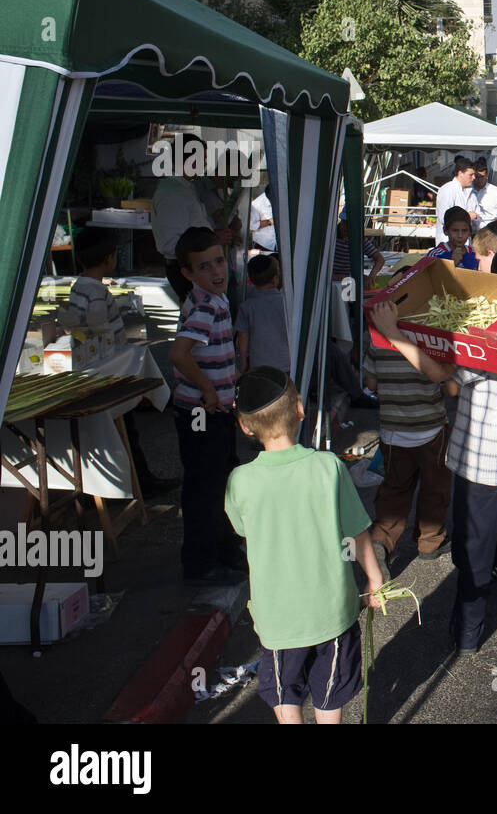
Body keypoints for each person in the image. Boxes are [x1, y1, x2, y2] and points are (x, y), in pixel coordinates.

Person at [369, 244, 497, 655]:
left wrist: (396, 335)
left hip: (483, 463)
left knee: (475, 550)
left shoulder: (489, 332)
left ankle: (468, 636)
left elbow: (441, 375)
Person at [224, 367, 383, 724]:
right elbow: (356, 533)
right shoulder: (329, 467)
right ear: (300, 409)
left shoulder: (241, 481)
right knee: (331, 687)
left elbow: (242, 528)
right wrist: (374, 579)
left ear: (245, 426)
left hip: (278, 617)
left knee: (284, 687)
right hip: (332, 611)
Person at [168, 226, 244, 586]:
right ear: (187, 273)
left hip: (217, 410)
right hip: (201, 412)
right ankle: (200, 564)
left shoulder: (217, 299)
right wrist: (208, 390)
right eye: (204, 267)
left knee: (222, 479)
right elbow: (179, 355)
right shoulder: (203, 306)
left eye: (219, 262)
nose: (217, 272)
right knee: (203, 485)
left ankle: (225, 548)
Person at [70, 227, 171, 497]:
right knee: (127, 426)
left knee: (123, 428)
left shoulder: (78, 286)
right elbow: (102, 333)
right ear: (110, 258)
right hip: (108, 370)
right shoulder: (97, 293)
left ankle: (130, 482)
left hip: (94, 366)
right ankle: (140, 483)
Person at [363, 328, 452, 564]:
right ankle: (429, 542)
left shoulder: (378, 340)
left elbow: (370, 384)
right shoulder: (432, 340)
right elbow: (451, 388)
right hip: (432, 429)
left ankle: (381, 540)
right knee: (435, 488)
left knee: (394, 490)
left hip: (392, 432)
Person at [151, 136, 238, 302]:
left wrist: (213, 229)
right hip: (188, 268)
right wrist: (211, 241)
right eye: (203, 158)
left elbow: (190, 226)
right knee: (200, 319)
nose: (205, 164)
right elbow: (169, 243)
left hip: (197, 266)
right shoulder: (172, 193)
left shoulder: (185, 188)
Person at [234, 255, 290, 375]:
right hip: (286, 364)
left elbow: (242, 340)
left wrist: (243, 363)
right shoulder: (287, 304)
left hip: (259, 366)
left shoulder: (247, 306)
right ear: (275, 279)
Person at [435, 158, 477, 246]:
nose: (474, 178)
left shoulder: (471, 191)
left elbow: (477, 214)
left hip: (465, 243)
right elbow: (443, 217)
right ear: (460, 173)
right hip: (448, 243)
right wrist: (467, 216)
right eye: (471, 175)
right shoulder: (448, 189)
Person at [249, 190, 276, 256]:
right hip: (264, 245)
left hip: (279, 242)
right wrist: (269, 222)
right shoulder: (256, 204)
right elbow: (252, 226)